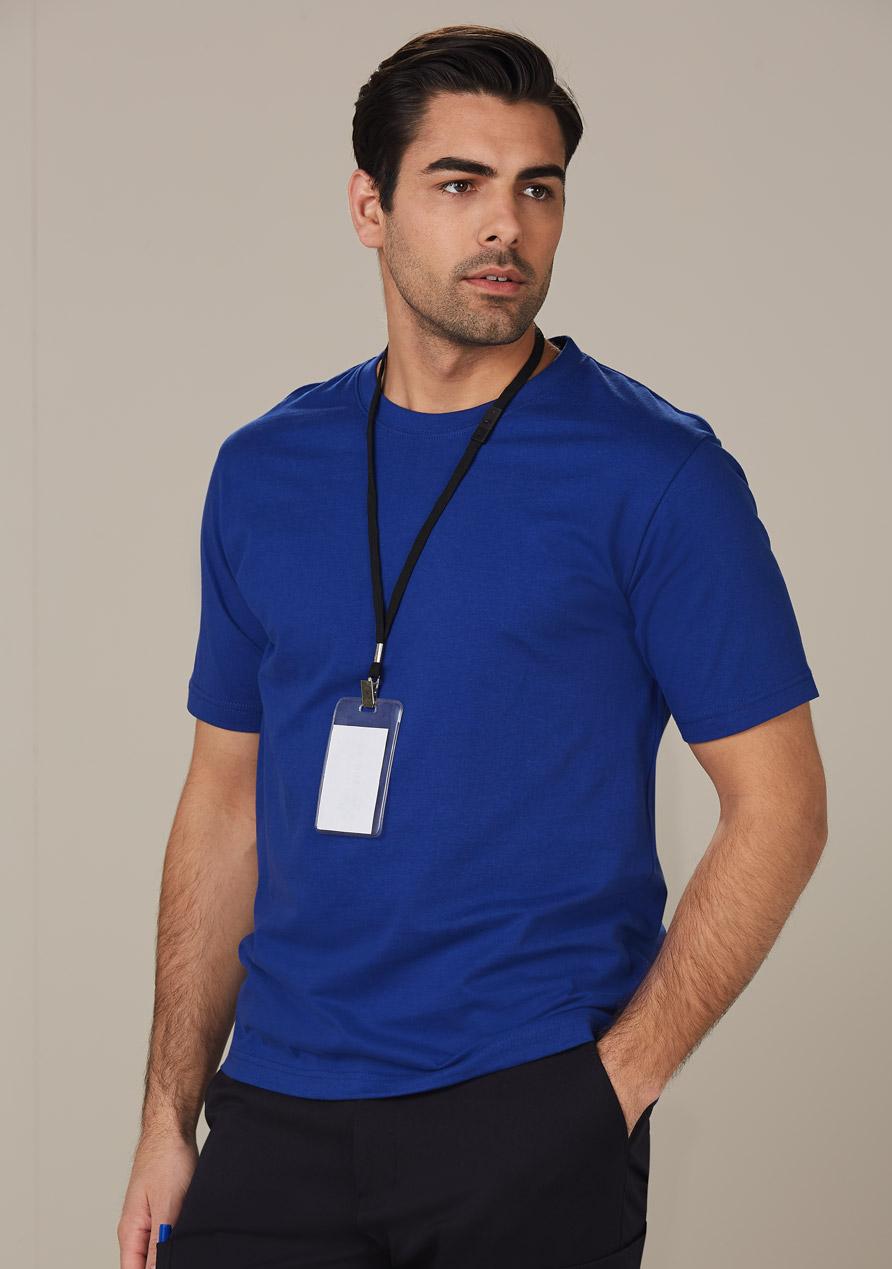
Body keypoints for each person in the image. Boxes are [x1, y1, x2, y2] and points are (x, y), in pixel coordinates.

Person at [118, 22, 827, 1269]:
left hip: (524, 1105)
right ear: (370, 206)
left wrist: (613, 1087)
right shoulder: (264, 470)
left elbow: (782, 809)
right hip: (275, 1109)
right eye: (459, 184)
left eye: (536, 190)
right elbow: (222, 805)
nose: (506, 226)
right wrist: (167, 1119)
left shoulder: (658, 475)